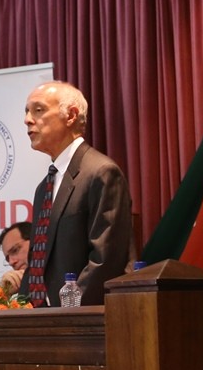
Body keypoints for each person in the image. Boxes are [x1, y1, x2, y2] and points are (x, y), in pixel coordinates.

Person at [19, 80, 134, 306]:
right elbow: (37, 261)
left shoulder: (101, 172)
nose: (27, 119)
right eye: (26, 111)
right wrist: (21, 307)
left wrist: (69, 309)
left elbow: (106, 259)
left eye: (38, 110)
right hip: (43, 321)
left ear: (71, 115)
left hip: (84, 320)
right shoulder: (44, 186)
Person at [0, 221, 31, 295]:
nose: (11, 262)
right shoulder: (24, 292)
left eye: (15, 250)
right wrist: (4, 294)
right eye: (7, 259)